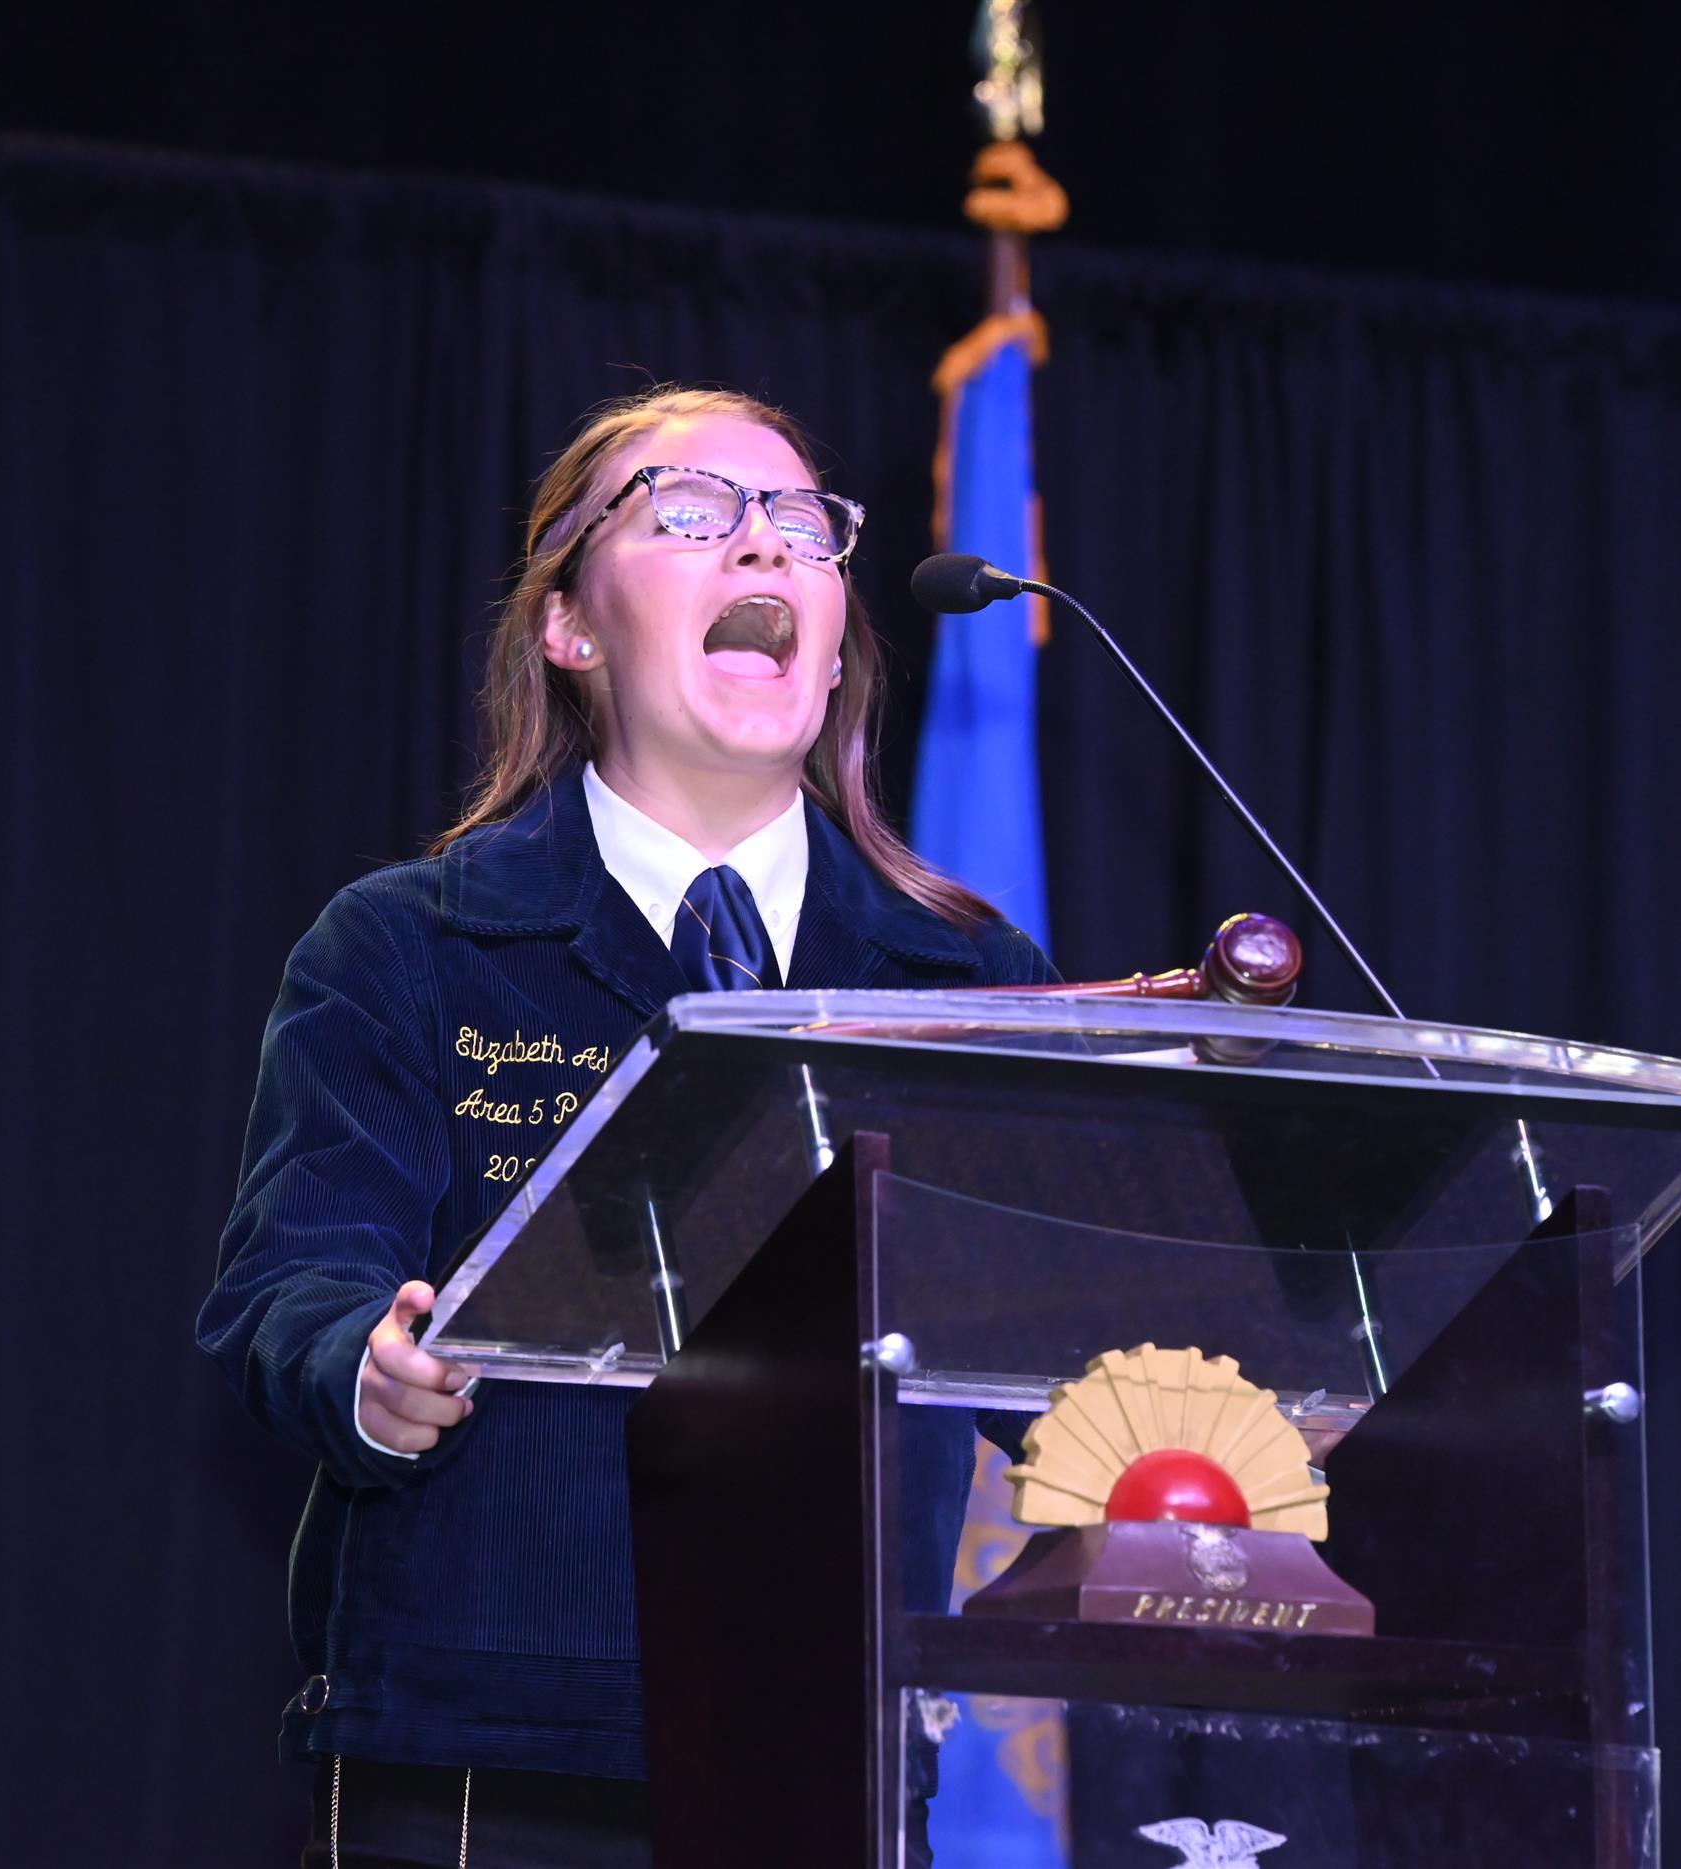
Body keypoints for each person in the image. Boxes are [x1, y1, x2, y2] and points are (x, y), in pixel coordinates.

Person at [197, 386, 1052, 1868]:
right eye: (692, 514)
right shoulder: (413, 946)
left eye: (803, 525)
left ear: (837, 641)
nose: (764, 549)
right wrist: (370, 1371)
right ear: (570, 628)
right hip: (492, 1753)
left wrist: (1206, 1405)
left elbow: (1051, 1347)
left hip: (835, 1753)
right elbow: (290, 1287)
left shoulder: (968, 981)